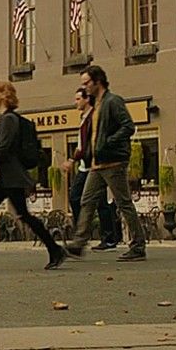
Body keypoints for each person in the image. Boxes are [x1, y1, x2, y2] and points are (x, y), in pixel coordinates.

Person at [0, 81, 66, 271]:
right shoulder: (2, 119)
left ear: (4, 95)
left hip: (9, 177)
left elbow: (4, 149)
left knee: (23, 215)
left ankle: (54, 249)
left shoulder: (9, 119)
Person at [66, 65, 145, 261]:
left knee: (124, 202)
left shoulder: (112, 101)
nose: (84, 87)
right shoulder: (96, 105)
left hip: (113, 162)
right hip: (98, 163)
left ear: (97, 81)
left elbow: (128, 126)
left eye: (86, 83)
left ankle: (138, 245)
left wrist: (108, 142)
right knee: (86, 199)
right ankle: (79, 242)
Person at [62, 87, 119, 250]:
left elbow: (88, 145)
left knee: (101, 202)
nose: (76, 102)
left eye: (78, 99)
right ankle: (84, 233)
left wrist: (72, 159)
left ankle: (108, 238)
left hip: (93, 165)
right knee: (75, 197)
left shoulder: (93, 117)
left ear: (87, 99)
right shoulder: (83, 118)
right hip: (85, 166)